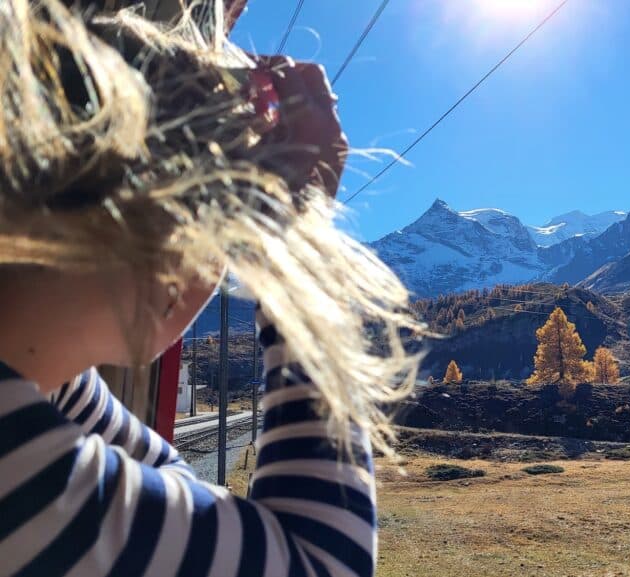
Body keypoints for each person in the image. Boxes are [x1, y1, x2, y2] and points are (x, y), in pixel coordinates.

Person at [0, 1, 421, 575]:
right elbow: (326, 562)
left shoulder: (44, 374)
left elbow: (167, 482)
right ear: (172, 254)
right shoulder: (23, 477)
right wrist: (297, 240)